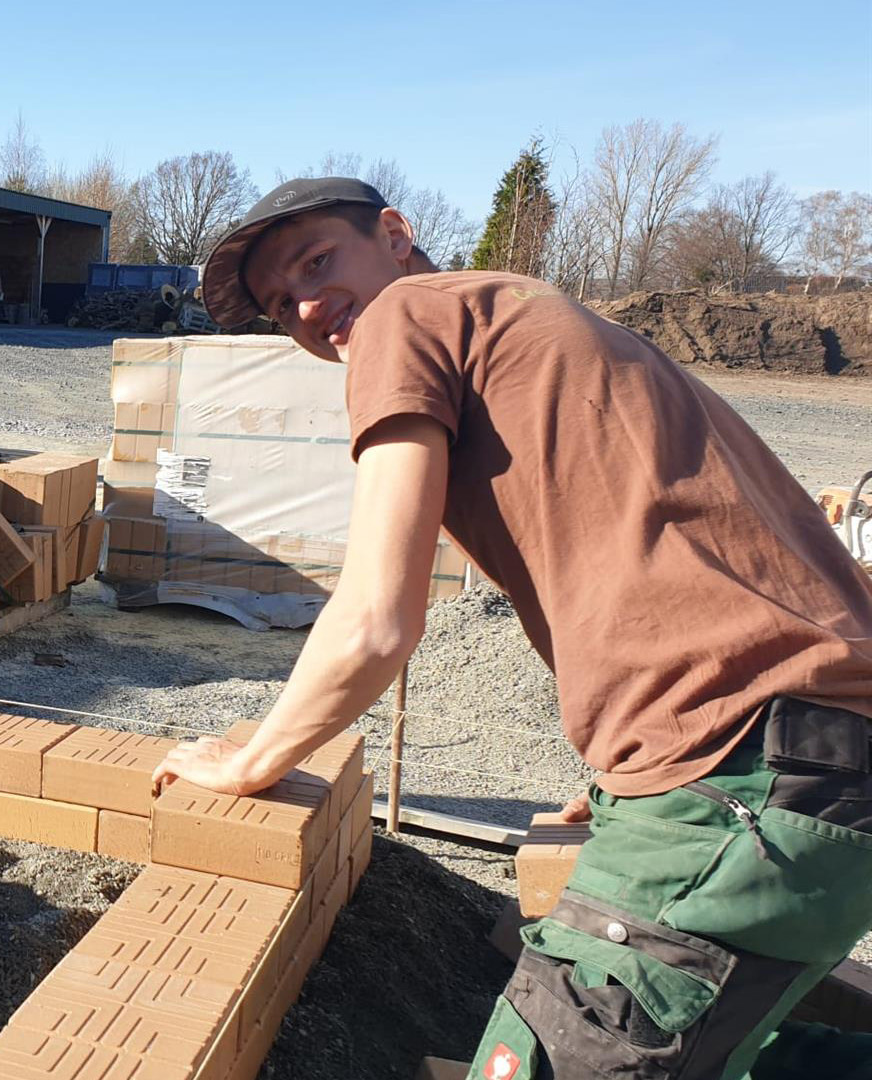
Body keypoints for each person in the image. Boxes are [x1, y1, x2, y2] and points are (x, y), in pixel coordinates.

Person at [156, 177, 872, 1077]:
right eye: (277, 304)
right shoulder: (532, 318)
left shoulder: (404, 313)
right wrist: (638, 769)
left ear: (395, 232)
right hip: (817, 772)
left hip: (747, 782)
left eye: (315, 260)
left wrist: (253, 758)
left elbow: (378, 616)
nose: (304, 306)